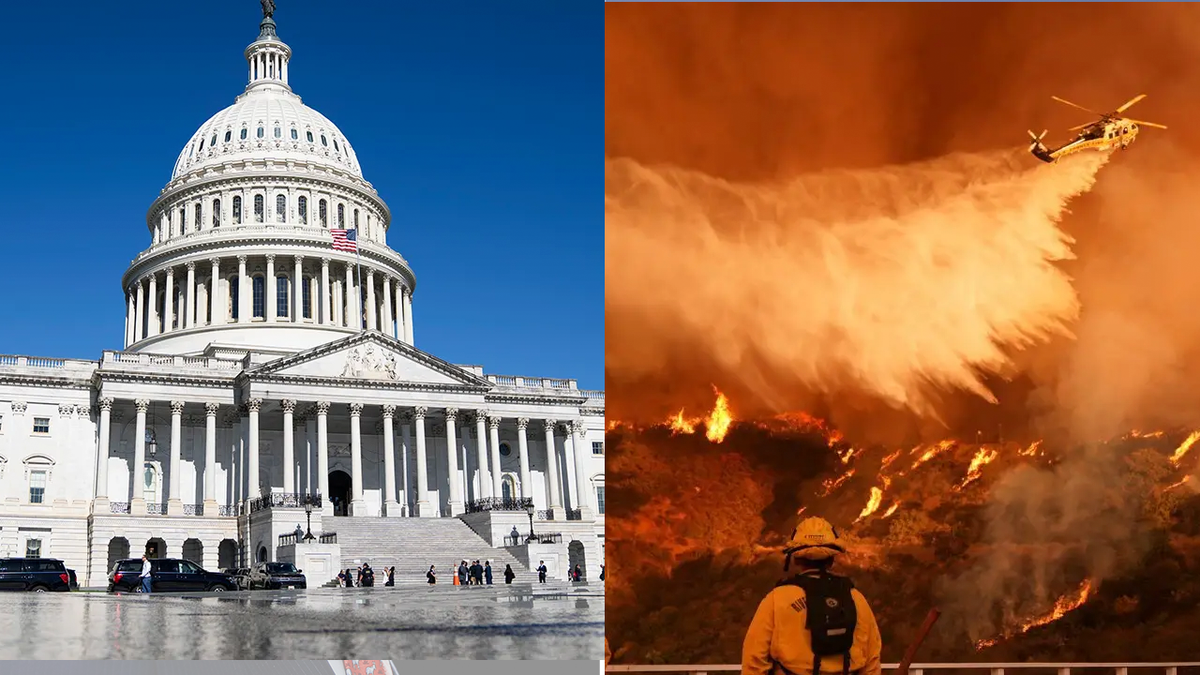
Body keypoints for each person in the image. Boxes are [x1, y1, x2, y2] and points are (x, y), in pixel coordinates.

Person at [741, 516, 882, 675]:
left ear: (796, 558)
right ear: (832, 559)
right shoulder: (856, 598)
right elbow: (872, 660)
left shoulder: (777, 599)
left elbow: (754, 660)